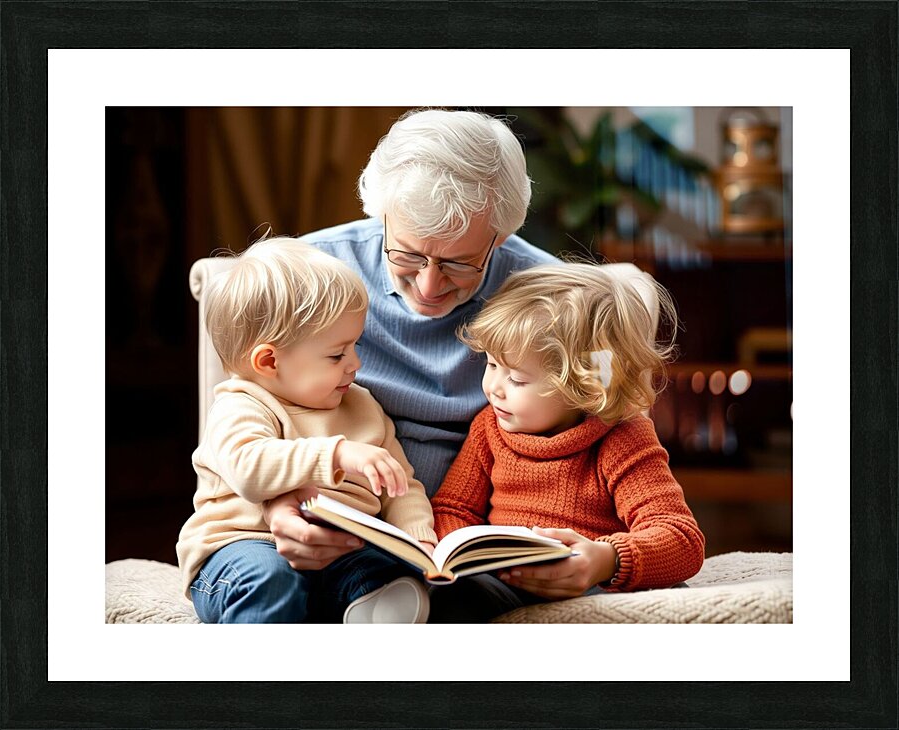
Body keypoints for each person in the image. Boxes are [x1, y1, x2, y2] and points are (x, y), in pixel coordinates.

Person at [261, 108, 561, 571]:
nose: (428, 286)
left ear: (500, 237)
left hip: (485, 547)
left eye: (460, 263)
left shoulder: (552, 294)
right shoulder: (309, 274)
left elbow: (611, 425)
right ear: (382, 216)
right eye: (408, 254)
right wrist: (276, 503)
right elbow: (247, 416)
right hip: (341, 532)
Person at [176, 237, 438, 623]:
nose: (356, 363)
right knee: (267, 578)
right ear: (269, 361)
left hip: (342, 555)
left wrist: (417, 536)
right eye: (337, 354)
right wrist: (335, 454)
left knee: (389, 574)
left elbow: (402, 484)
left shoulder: (362, 405)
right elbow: (250, 468)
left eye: (354, 346)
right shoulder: (241, 404)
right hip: (241, 548)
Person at [427, 262, 706, 622]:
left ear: (584, 386)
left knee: (664, 603)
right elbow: (453, 509)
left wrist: (605, 561)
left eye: (517, 379)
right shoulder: (489, 428)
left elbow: (682, 540)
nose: (493, 387)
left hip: (590, 585)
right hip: (503, 583)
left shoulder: (623, 436)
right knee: (454, 599)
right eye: (492, 365)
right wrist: (468, 555)